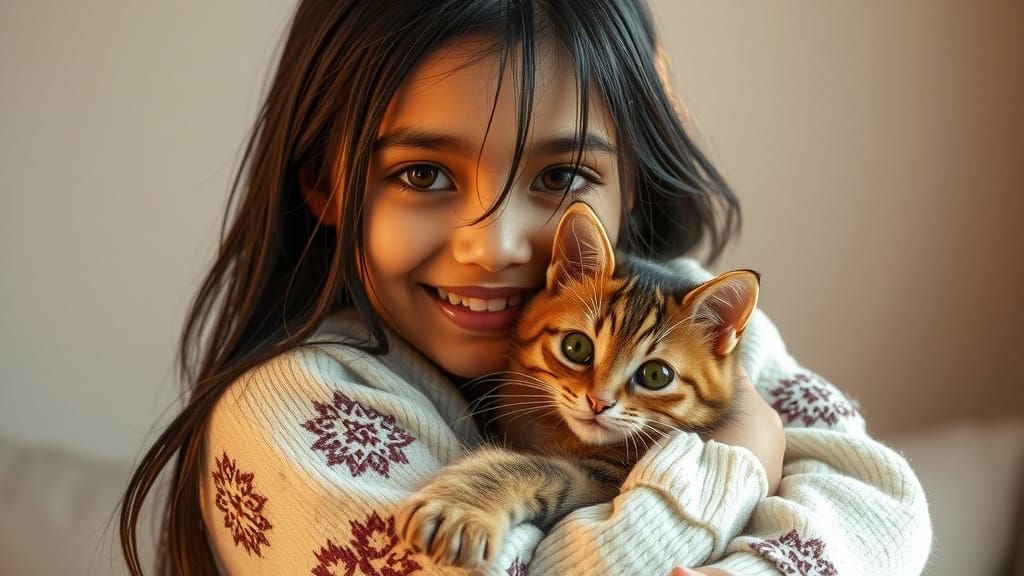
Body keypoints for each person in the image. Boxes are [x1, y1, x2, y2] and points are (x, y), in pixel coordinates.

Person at [119, 1, 932, 574]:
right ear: (325, 188)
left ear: (635, 187)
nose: (496, 246)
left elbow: (884, 506)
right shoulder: (292, 414)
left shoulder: (698, 313)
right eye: (424, 172)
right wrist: (739, 453)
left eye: (563, 174)